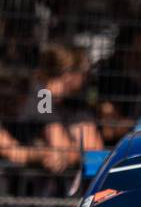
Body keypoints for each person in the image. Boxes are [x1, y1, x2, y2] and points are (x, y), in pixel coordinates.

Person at [24, 43, 99, 174]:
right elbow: (60, 147)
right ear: (68, 74)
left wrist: (70, 153)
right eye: (83, 72)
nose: (86, 77)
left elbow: (95, 152)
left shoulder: (74, 103)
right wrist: (77, 151)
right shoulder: (43, 96)